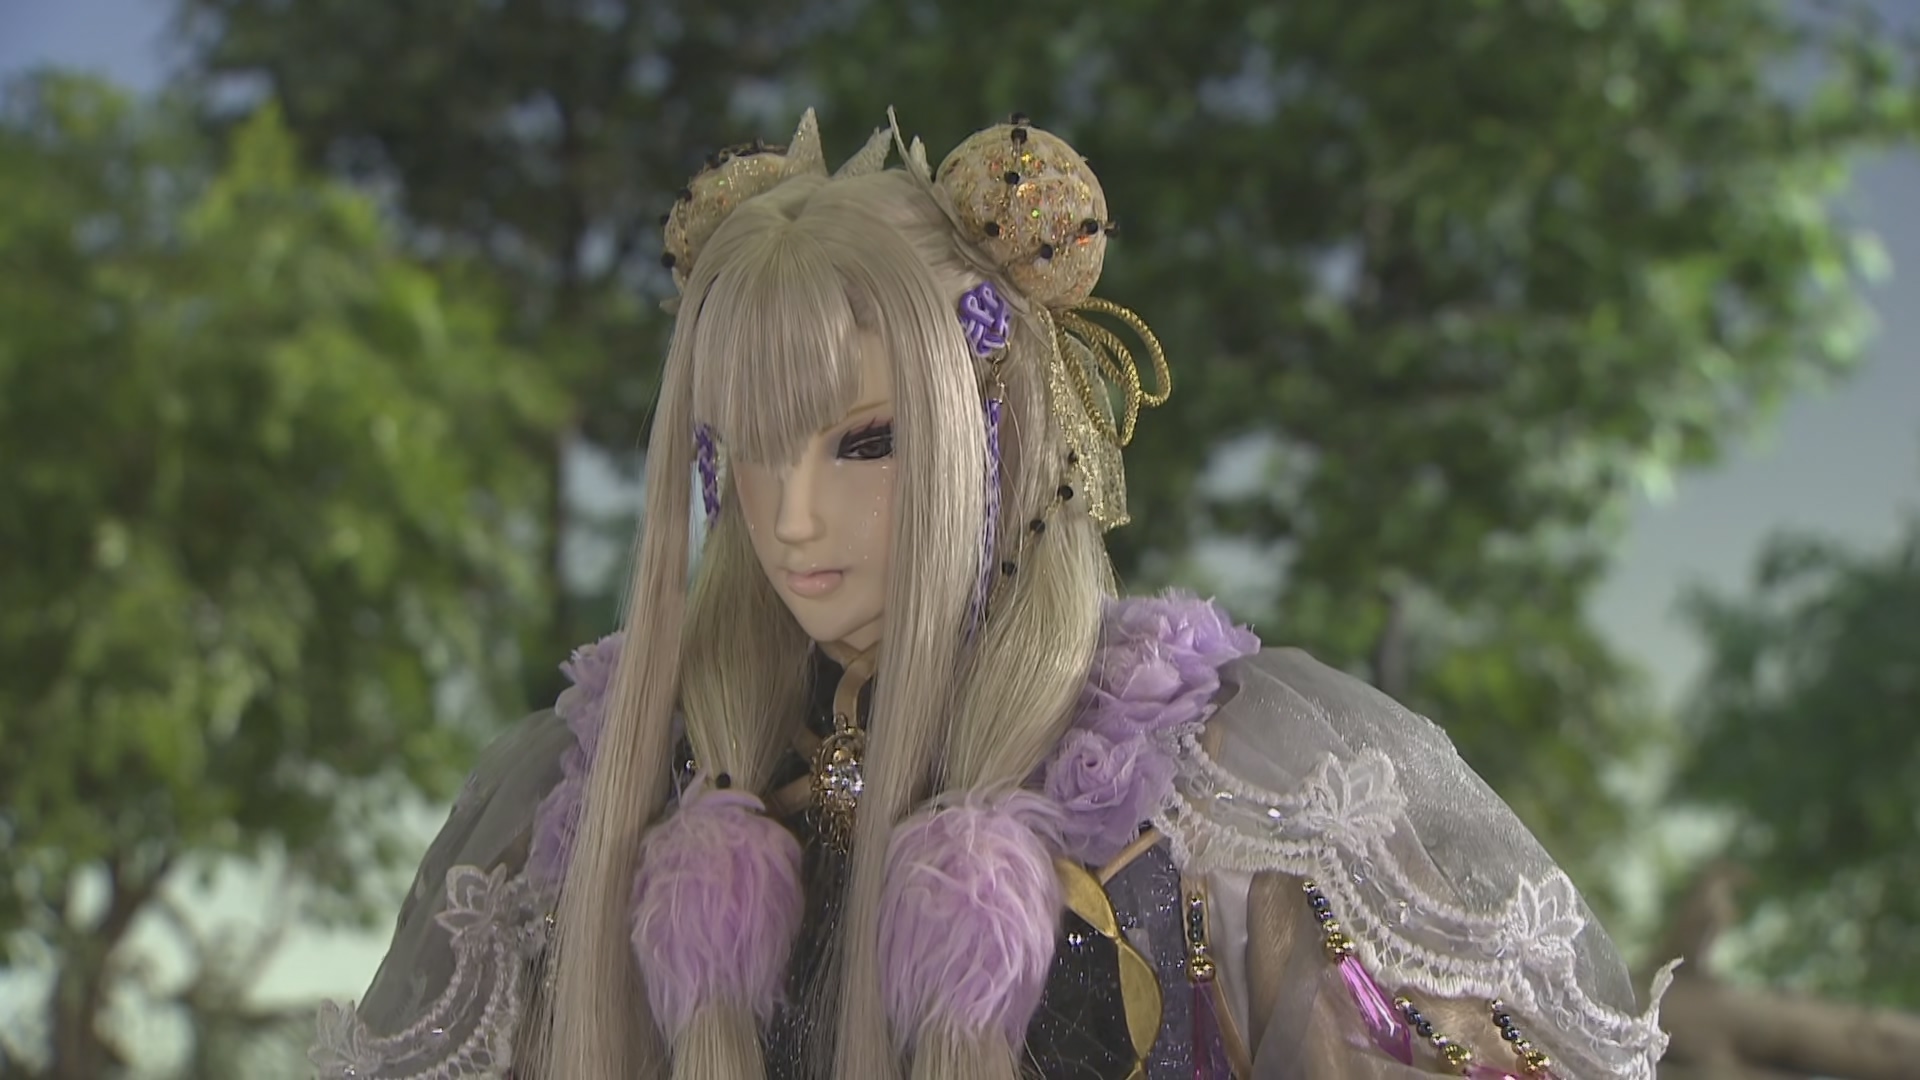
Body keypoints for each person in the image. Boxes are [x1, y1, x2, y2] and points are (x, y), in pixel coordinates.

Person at [310, 109, 1673, 1080]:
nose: (791, 519)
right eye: (746, 451)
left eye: (865, 443)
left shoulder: (1219, 787)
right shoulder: (598, 791)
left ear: (992, 436)